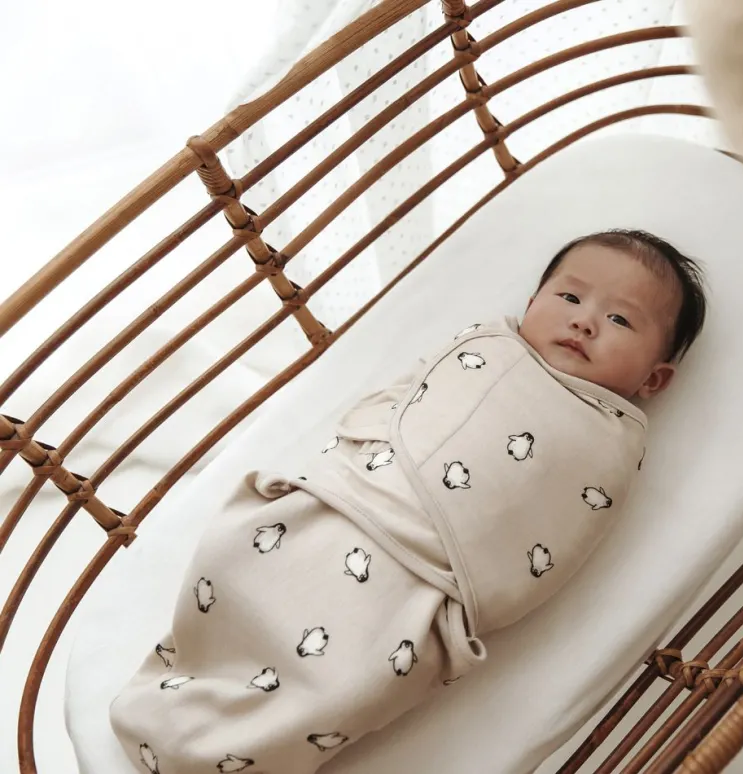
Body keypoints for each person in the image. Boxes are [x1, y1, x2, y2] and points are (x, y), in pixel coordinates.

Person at [110, 229, 707, 774]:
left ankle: (246, 752)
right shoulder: (487, 344)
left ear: (652, 380)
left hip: (427, 577)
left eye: (620, 320)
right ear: (531, 304)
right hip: (350, 503)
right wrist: (357, 457)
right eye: (570, 297)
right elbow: (398, 396)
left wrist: (471, 598)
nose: (584, 322)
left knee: (351, 679)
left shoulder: (608, 437)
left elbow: (567, 531)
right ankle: (182, 686)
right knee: (238, 564)